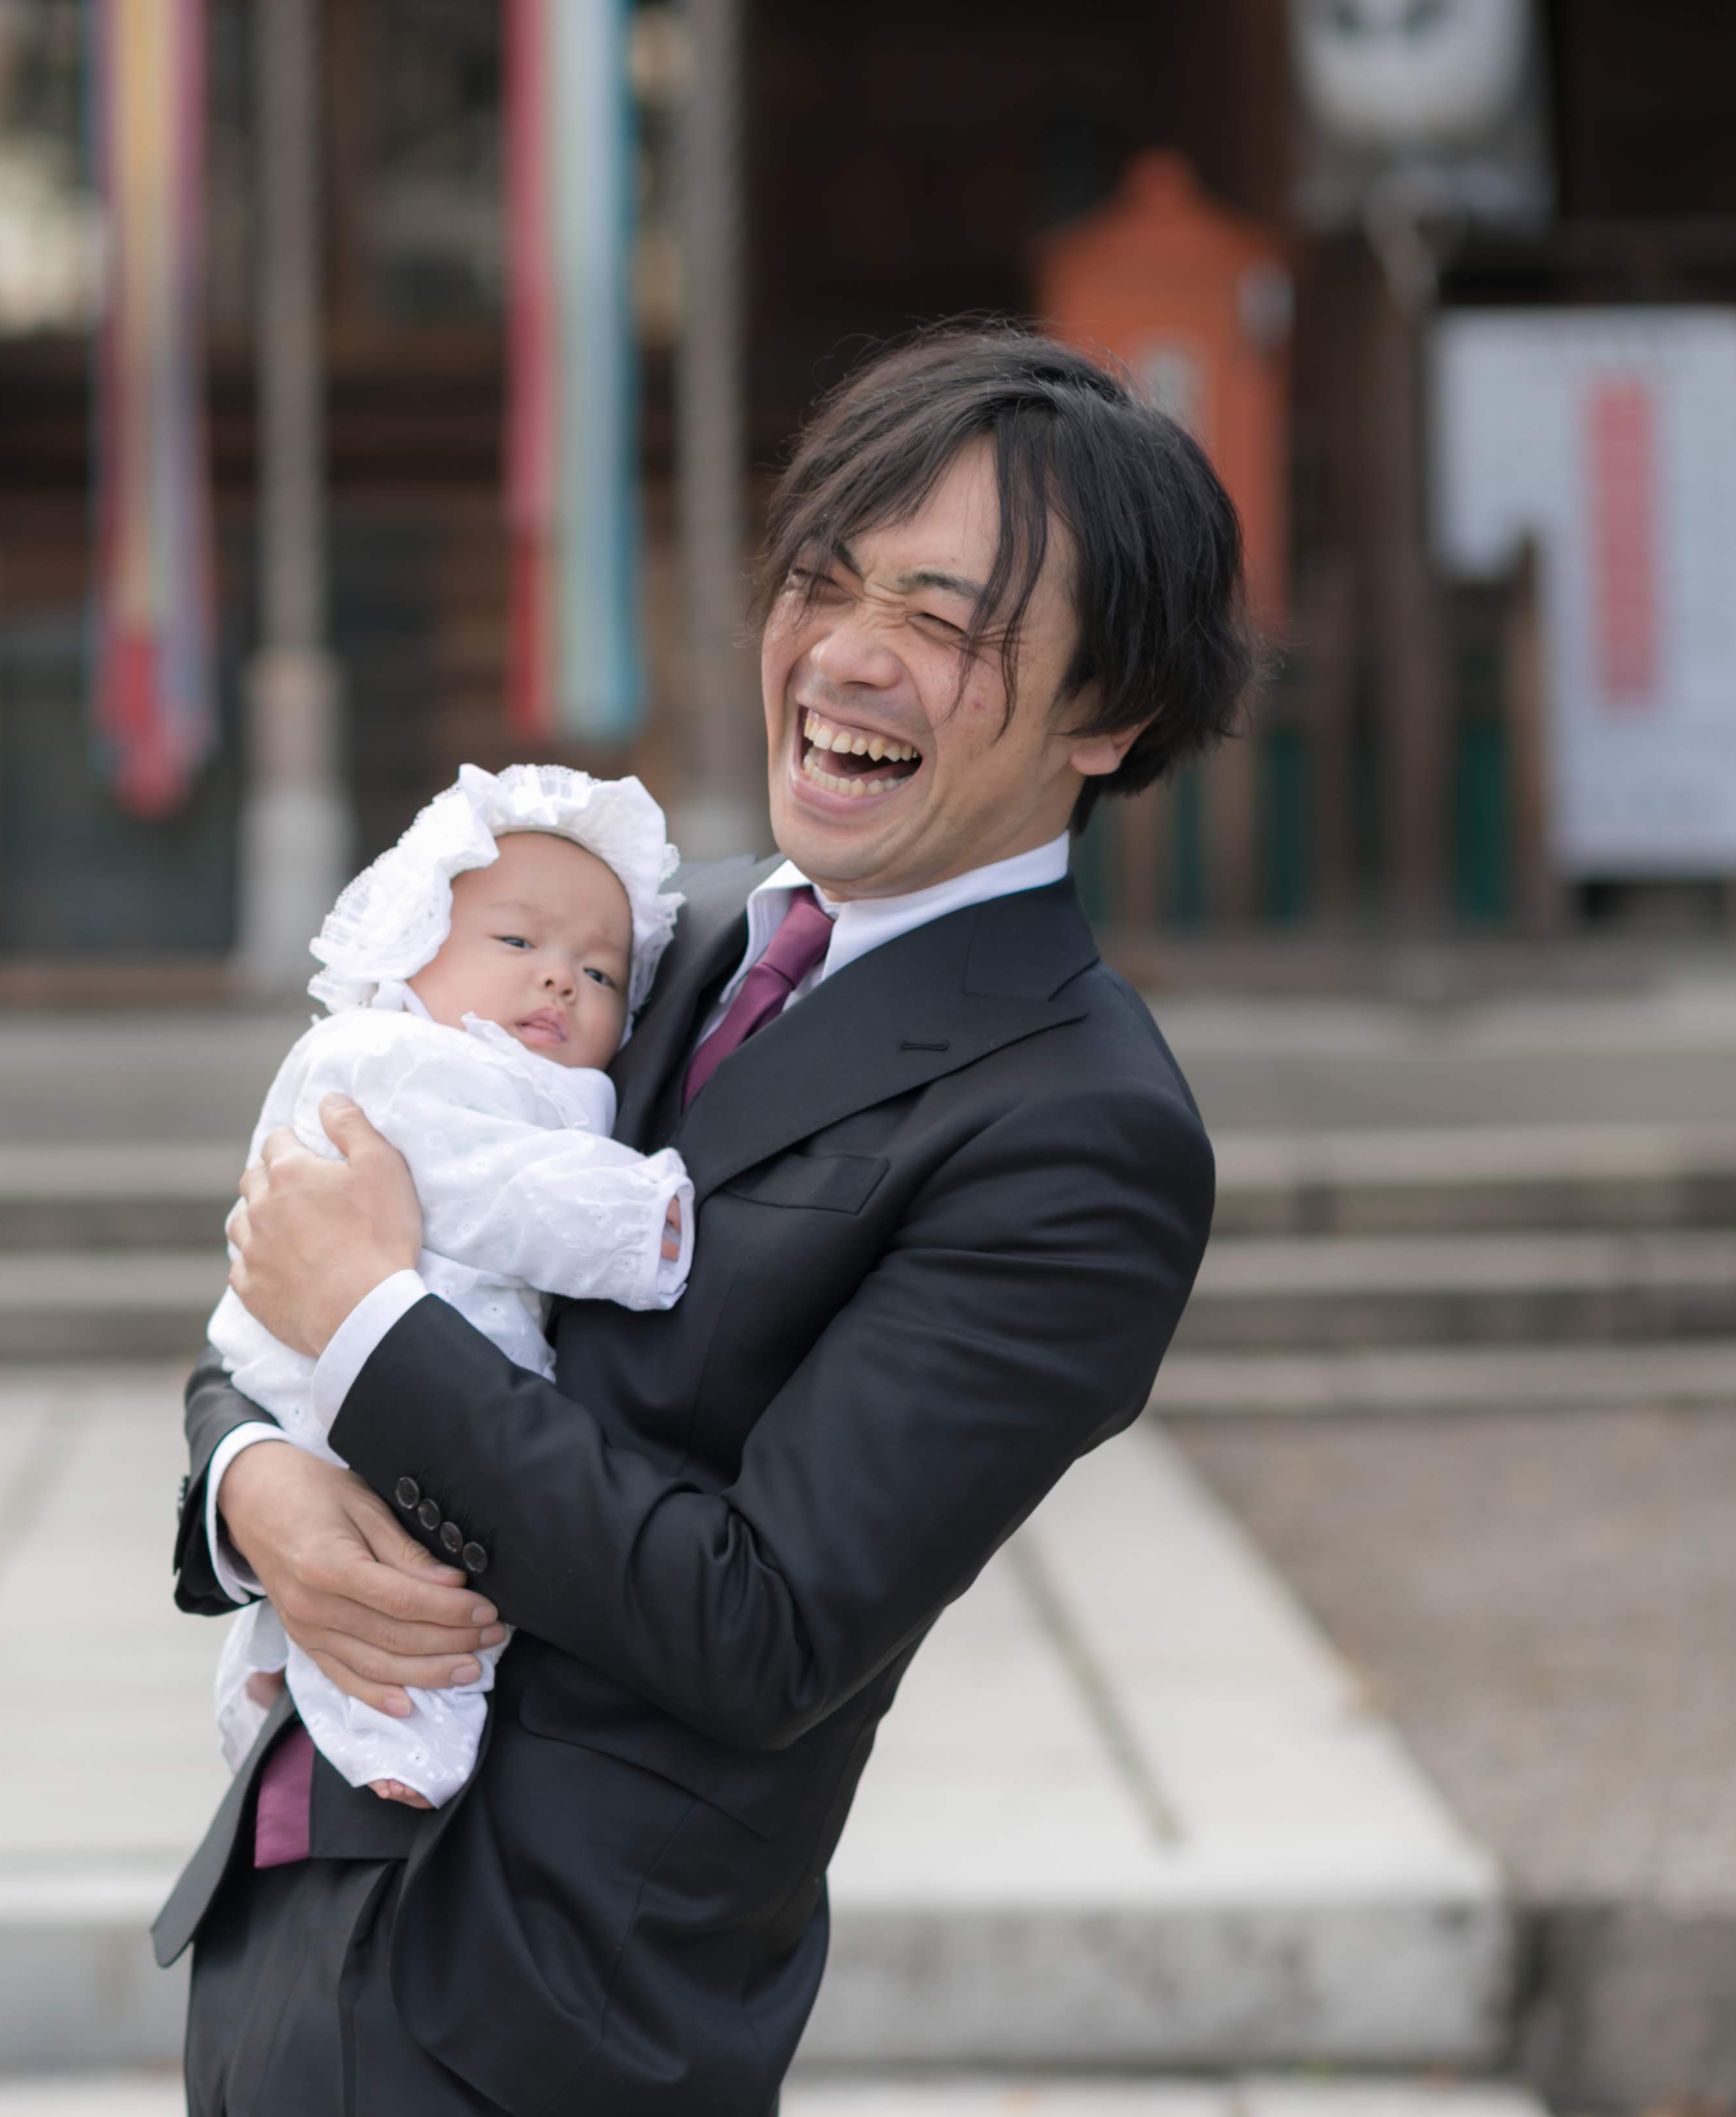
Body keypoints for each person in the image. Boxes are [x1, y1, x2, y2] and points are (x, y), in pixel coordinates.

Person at [156, 325, 1252, 2116]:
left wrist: (367, 1337)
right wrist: (249, 1479)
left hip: (553, 2013)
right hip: (288, 1914)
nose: (846, 654)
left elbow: (763, 1630)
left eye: (945, 620)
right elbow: (315, 1233)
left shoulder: (1080, 1129)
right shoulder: (657, 932)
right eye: (824, 576)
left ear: (1108, 712)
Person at [206, 763, 696, 1812]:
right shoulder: (394, 1058)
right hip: (339, 1365)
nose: (560, 980)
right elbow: (487, 1189)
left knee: (378, 1561)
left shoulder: (518, 1077)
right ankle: (398, 1737)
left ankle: (266, 1676)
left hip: (408, 1363)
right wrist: (634, 1223)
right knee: (409, 1582)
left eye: (600, 972)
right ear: (412, 941)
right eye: (516, 942)